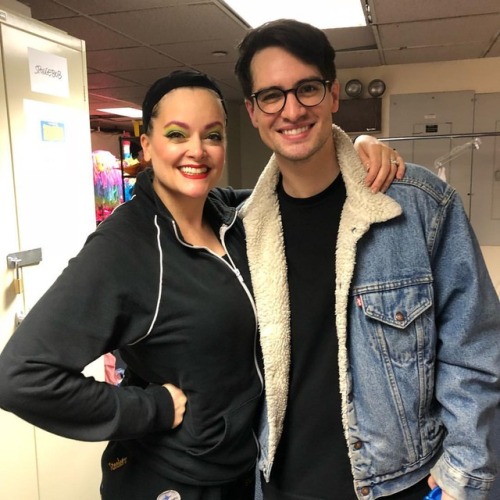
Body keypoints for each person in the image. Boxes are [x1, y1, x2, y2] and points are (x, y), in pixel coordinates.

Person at [0, 69, 400, 499]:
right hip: (175, 481)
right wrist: (150, 408)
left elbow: (301, 188)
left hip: (244, 472)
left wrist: (355, 150)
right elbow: (20, 376)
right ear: (147, 146)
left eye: (212, 135)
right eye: (177, 134)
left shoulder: (231, 215)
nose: (198, 150)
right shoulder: (125, 247)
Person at [234, 19, 500, 500]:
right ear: (253, 112)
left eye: (307, 89)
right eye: (271, 95)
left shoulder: (419, 205)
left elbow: (476, 353)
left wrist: (462, 479)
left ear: (334, 94)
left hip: (401, 485)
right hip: (276, 485)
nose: (291, 109)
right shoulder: (238, 229)